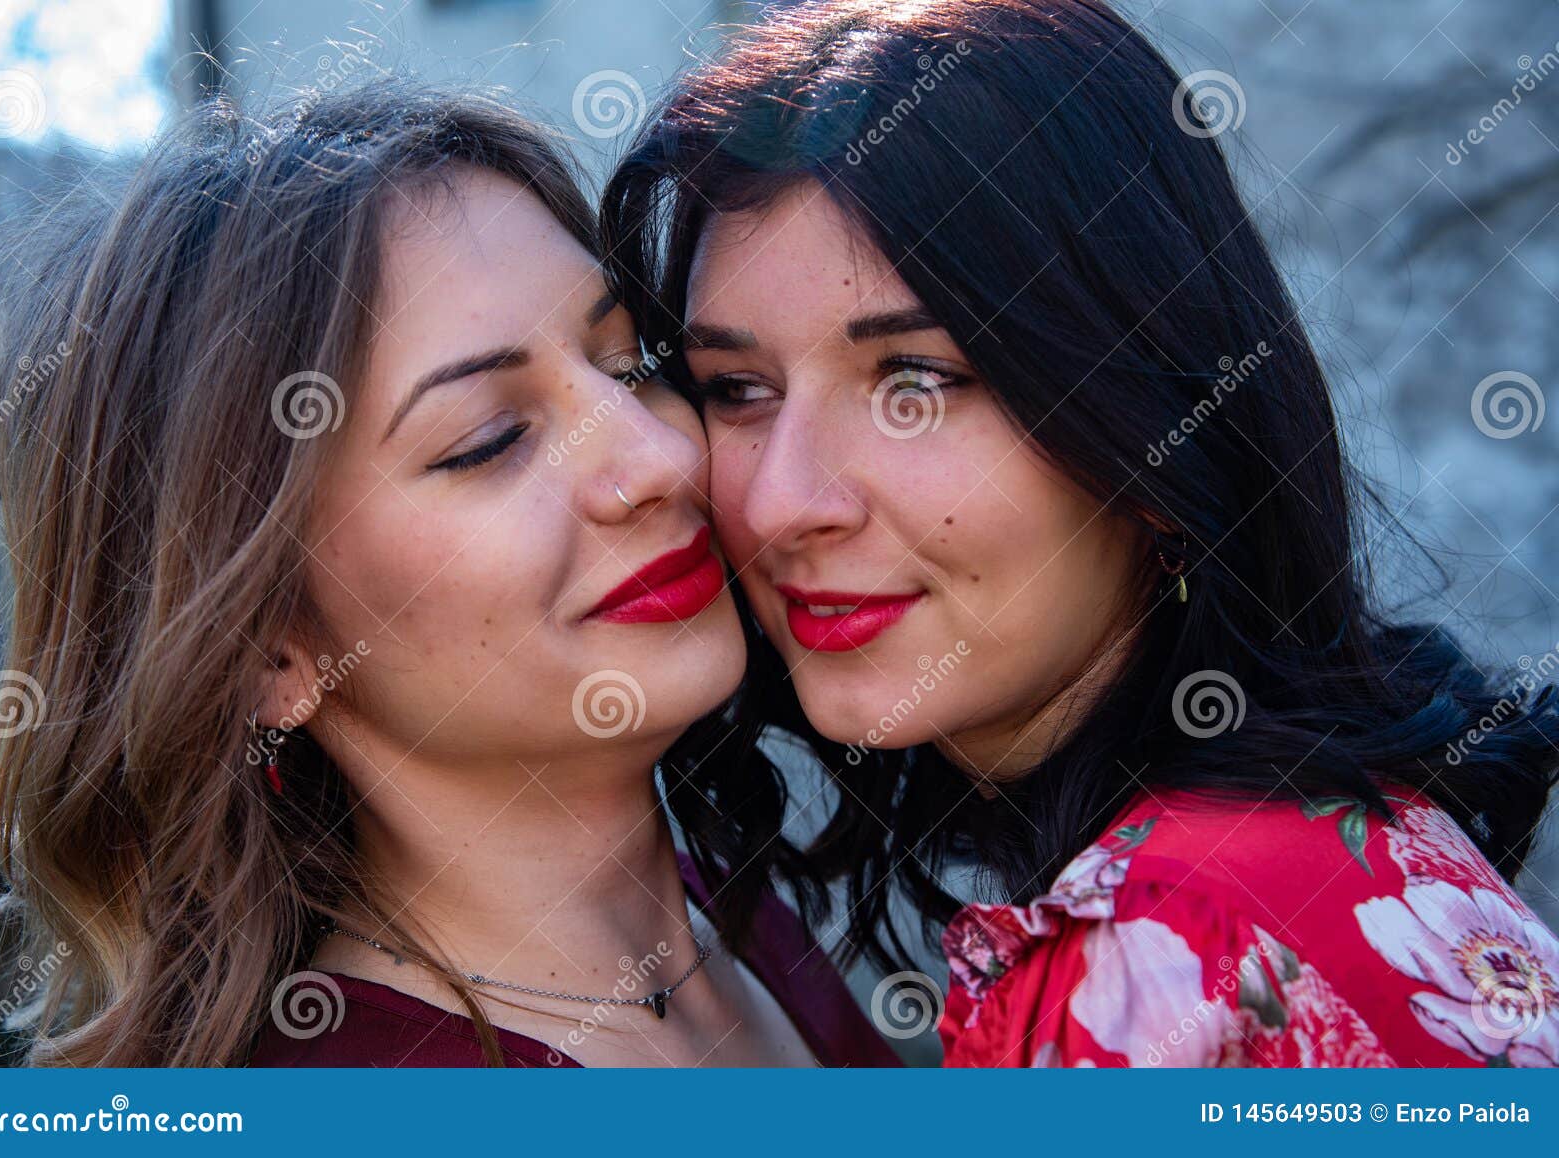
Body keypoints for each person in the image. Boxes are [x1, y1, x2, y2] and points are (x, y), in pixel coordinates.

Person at [601, 0, 1559, 1066]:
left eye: (916, 382)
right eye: (735, 388)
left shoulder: (1168, 962)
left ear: (1151, 419)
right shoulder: (1313, 851)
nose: (781, 504)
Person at [0, 78, 895, 1068]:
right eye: (489, 441)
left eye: (629, 367)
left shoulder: (743, 921)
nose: (661, 459)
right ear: (267, 652)